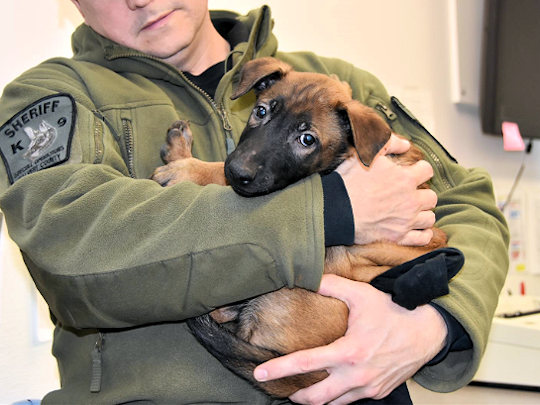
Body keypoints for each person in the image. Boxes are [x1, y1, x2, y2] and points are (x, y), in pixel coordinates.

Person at [0, 1, 509, 404]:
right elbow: (75, 253)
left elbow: (469, 206)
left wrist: (434, 326)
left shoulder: (337, 85)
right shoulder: (56, 96)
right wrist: (332, 209)